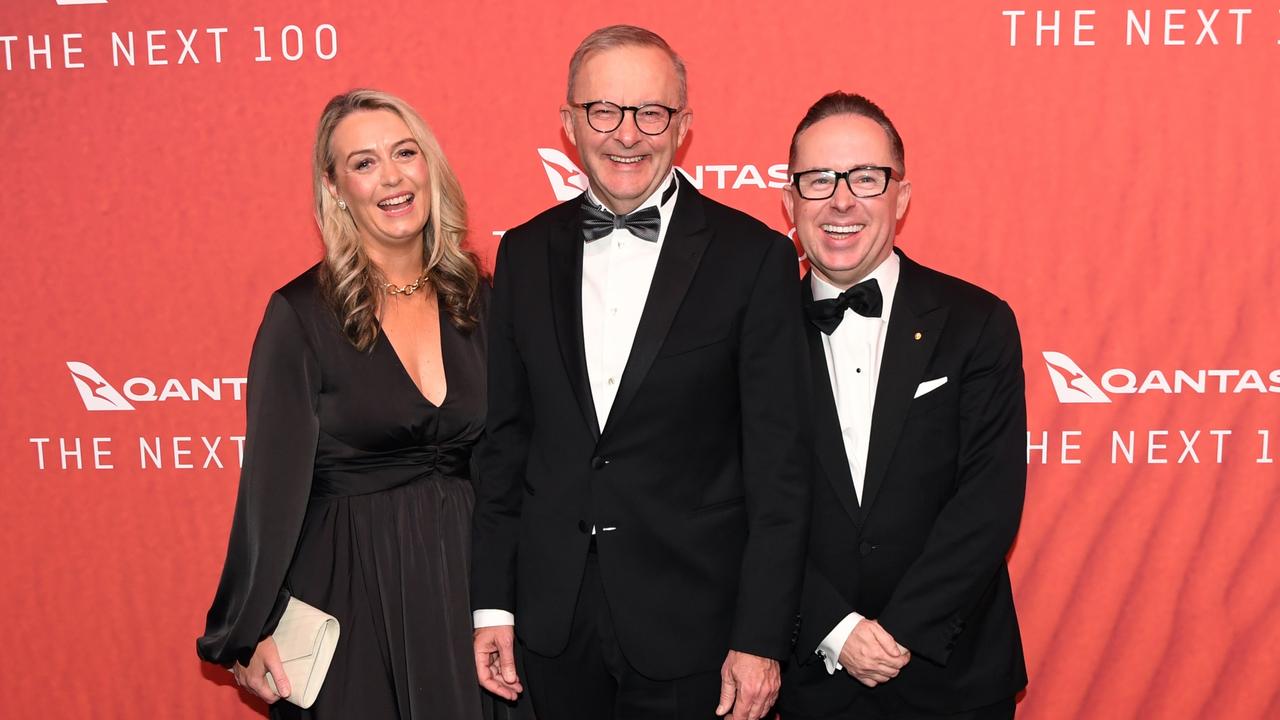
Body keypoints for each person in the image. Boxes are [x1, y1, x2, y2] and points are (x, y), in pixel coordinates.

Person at [470, 24, 810, 720]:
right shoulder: (525, 255)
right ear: (568, 122)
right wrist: (493, 604)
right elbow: (505, 447)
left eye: (651, 112)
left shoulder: (754, 258)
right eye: (604, 111)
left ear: (683, 125)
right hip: (554, 623)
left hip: (699, 630)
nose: (627, 134)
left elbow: (780, 470)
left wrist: (760, 638)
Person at [197, 88, 499, 719]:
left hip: (471, 586)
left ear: (430, 167)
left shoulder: (480, 299)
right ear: (334, 188)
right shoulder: (301, 316)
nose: (391, 176)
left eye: (404, 153)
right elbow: (269, 492)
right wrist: (248, 632)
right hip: (351, 592)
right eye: (363, 163)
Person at [776, 92, 1028, 720]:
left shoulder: (977, 322)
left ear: (902, 197)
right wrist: (835, 629)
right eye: (818, 180)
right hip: (807, 676)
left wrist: (900, 633)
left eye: (866, 178)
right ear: (789, 201)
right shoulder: (751, 333)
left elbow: (988, 501)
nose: (841, 200)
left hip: (953, 673)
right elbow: (735, 500)